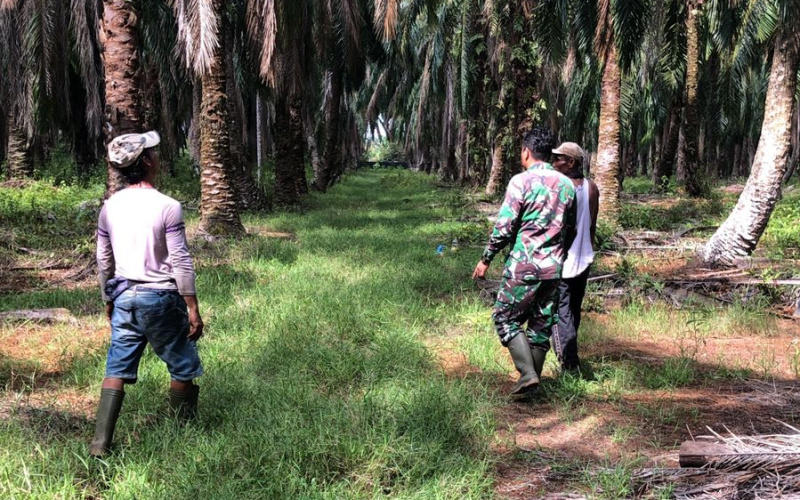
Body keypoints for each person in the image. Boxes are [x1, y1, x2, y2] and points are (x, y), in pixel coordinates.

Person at [90, 131, 204, 457]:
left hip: (124, 296)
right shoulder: (167, 206)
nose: (157, 157)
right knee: (182, 363)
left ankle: (100, 444)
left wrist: (108, 298)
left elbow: (104, 259)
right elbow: (180, 259)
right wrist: (192, 306)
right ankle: (181, 437)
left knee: (116, 368)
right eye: (153, 152)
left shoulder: (109, 208)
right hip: (161, 297)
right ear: (147, 161)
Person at [473, 127, 576, 395]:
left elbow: (504, 227)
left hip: (524, 266)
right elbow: (571, 229)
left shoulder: (520, 182)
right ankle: (531, 387)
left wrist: (486, 259)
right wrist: (559, 256)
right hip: (553, 268)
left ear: (526, 152)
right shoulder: (567, 185)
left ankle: (528, 374)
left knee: (504, 318)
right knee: (541, 325)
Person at [550, 142, 599, 375]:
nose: (553, 163)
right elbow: (592, 225)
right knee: (573, 309)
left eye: (558, 159)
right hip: (584, 257)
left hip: (564, 259)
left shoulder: (561, 187)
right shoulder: (592, 187)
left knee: (561, 311)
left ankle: (569, 363)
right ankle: (569, 355)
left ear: (571, 162)